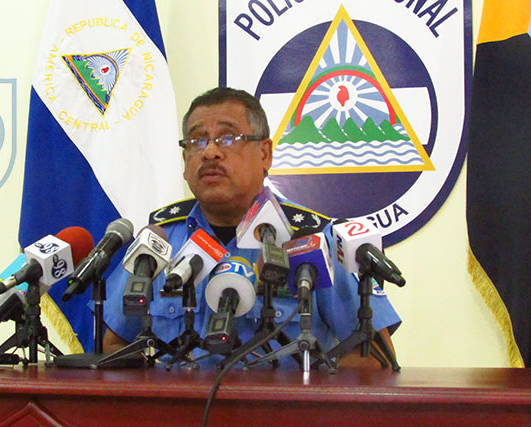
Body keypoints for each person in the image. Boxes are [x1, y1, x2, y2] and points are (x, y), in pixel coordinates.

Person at [101, 87, 400, 367]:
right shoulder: (160, 241)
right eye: (197, 141)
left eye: (228, 138)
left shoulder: (313, 241)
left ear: (265, 154)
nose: (210, 152)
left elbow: (373, 358)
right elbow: (114, 346)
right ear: (184, 159)